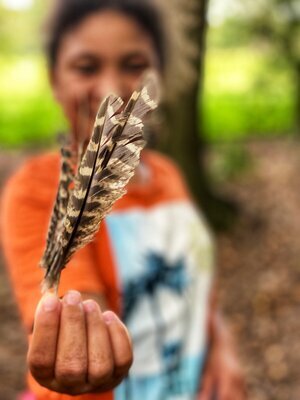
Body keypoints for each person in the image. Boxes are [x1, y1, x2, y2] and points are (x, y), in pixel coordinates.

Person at [0, 0, 246, 399]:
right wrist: (76, 343)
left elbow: (198, 289)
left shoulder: (168, 174)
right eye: (86, 67)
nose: (112, 90)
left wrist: (224, 349)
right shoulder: (37, 190)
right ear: (55, 78)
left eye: (134, 64)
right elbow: (74, 305)